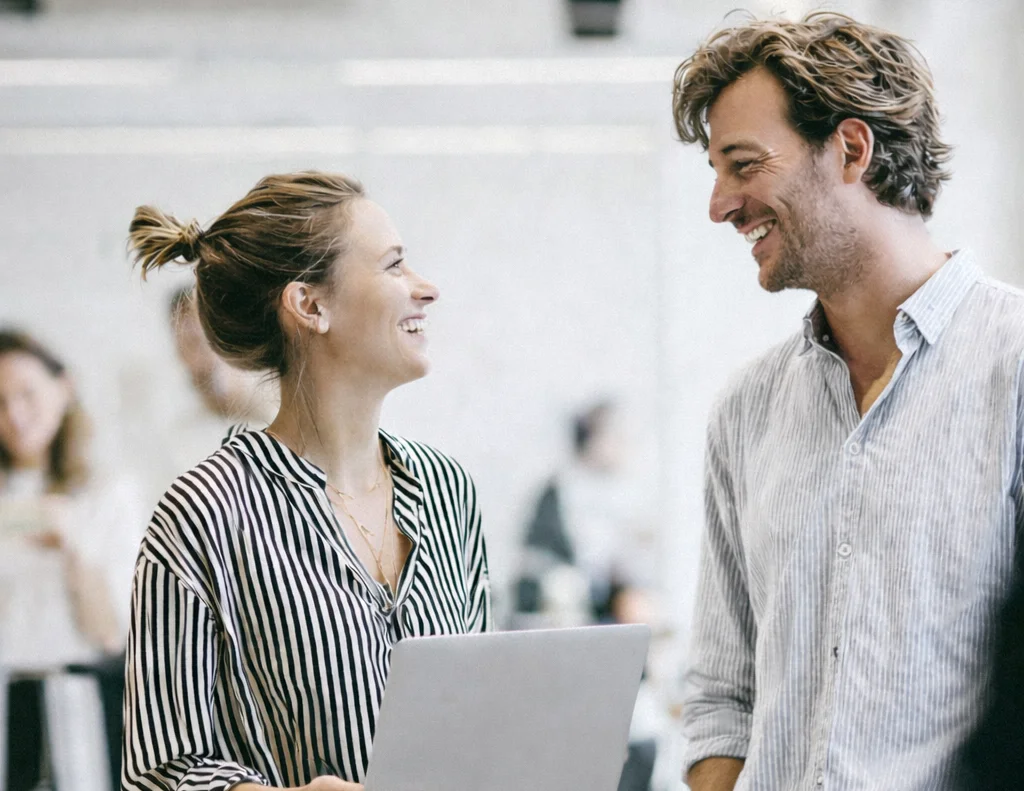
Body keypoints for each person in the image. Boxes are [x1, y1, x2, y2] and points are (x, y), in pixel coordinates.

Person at [671, 12, 1024, 791]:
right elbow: (724, 702)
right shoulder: (746, 410)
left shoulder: (1014, 365)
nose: (720, 204)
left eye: (743, 164)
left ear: (852, 150)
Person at [123, 171, 491, 791]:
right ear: (310, 305)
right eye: (394, 265)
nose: (425, 289)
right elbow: (163, 772)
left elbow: (478, 719)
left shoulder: (449, 490)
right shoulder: (203, 514)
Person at [0, 329, 144, 791]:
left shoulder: (108, 492)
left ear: (64, 387)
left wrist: (73, 550)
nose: (15, 416)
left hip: (81, 700)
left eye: (27, 394)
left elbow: (109, 634)